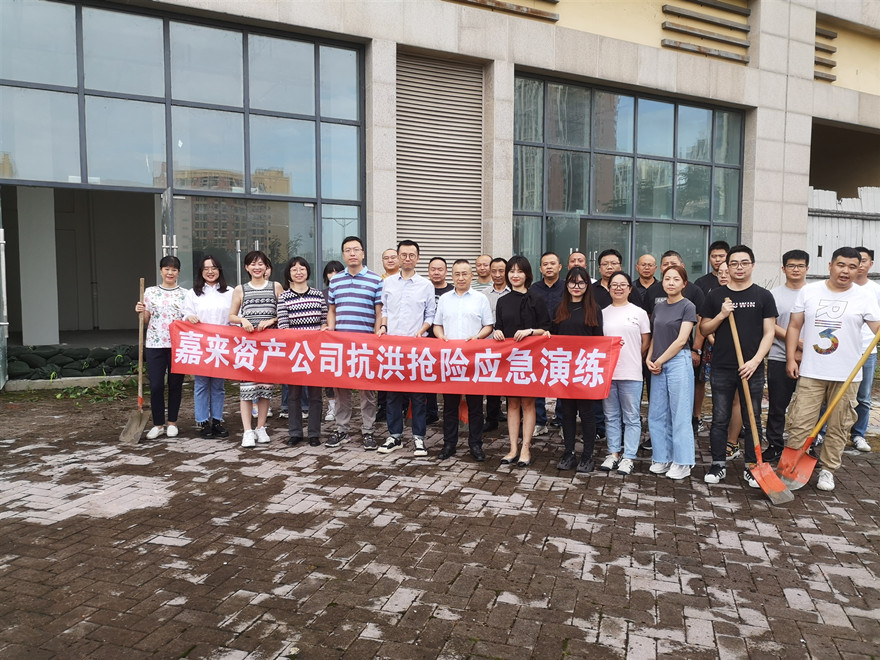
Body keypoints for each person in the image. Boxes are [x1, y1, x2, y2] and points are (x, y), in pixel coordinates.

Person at [785, 247, 880, 491]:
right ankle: (791, 469)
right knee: (799, 423)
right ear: (830, 266)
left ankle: (828, 470)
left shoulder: (864, 296)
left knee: (839, 426)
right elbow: (794, 326)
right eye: (841, 265)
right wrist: (791, 358)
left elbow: (876, 328)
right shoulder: (809, 291)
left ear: (858, 269)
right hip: (812, 371)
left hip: (847, 375)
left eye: (852, 266)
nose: (845, 271)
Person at [700, 245, 777, 487]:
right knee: (720, 417)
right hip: (722, 366)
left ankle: (752, 466)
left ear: (752, 265)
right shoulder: (716, 296)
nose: (739, 267)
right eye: (734, 263)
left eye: (744, 263)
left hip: (752, 368)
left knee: (752, 417)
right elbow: (704, 329)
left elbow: (769, 333)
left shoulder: (763, 296)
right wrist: (722, 315)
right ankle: (718, 465)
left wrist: (756, 361)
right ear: (727, 267)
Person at [377, 240, 435, 457]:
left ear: (417, 258)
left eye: (412, 255)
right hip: (393, 347)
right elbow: (385, 310)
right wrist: (383, 326)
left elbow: (430, 314)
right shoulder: (388, 283)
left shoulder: (426, 285)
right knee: (392, 394)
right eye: (404, 255)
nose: (407, 258)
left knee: (418, 395)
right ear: (398, 257)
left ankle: (419, 438)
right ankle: (395, 436)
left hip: (416, 347)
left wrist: (422, 330)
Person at [433, 259, 494, 462]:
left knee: (475, 406)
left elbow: (488, 325)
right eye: (457, 274)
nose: (460, 278)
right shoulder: (444, 299)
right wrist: (441, 336)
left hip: (473, 360)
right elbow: (437, 324)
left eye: (464, 274)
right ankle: (449, 444)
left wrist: (477, 337)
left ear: (471, 276)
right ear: (452, 276)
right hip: (451, 359)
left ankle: (476, 444)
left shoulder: (480, 298)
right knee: (450, 405)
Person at [326, 236, 384, 450]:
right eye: (348, 250)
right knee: (341, 391)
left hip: (366, 345)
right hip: (341, 345)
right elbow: (332, 311)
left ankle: (368, 431)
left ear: (363, 253)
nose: (352, 253)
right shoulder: (335, 281)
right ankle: (342, 430)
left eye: (356, 249)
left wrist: (376, 336)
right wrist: (330, 330)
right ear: (343, 255)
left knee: (367, 392)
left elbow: (379, 312)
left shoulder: (376, 280)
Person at [492, 256, 550, 467]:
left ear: (527, 274)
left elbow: (546, 328)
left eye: (519, 271)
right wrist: (497, 332)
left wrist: (530, 331)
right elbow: (499, 326)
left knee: (528, 403)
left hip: (530, 359)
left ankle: (526, 447)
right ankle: (512, 448)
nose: (515, 275)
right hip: (510, 360)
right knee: (512, 403)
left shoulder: (537, 298)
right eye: (511, 271)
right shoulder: (502, 301)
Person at [646, 264, 697, 479]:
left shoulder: (688, 306)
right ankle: (662, 458)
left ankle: (683, 462)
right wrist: (649, 358)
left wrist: (659, 360)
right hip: (658, 363)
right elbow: (655, 336)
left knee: (680, 414)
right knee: (657, 414)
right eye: (667, 279)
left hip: (678, 362)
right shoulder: (659, 307)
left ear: (684, 283)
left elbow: (682, 340)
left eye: (676, 279)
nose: (671, 283)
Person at [229, 251, 284, 448]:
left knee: (265, 389)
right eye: (253, 264)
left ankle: (261, 427)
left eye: (261, 264)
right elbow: (231, 316)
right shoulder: (240, 289)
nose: (257, 267)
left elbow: (283, 313)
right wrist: (242, 320)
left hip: (268, 347)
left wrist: (271, 321)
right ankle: (247, 431)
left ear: (266, 267)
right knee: (246, 390)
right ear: (246, 267)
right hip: (248, 347)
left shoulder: (275, 287)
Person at [551, 267, 603, 473]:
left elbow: (599, 341)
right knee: (568, 413)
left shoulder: (593, 309)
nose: (576, 287)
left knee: (587, 413)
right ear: (566, 285)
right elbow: (552, 337)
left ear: (587, 285)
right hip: (564, 368)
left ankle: (588, 455)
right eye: (572, 282)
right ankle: (569, 452)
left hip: (585, 368)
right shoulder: (559, 308)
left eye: (581, 283)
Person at [599, 271, 650, 475]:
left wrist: (633, 356)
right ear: (608, 288)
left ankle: (629, 456)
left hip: (631, 372)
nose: (618, 288)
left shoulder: (639, 313)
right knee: (611, 415)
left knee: (631, 416)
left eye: (623, 285)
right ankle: (613, 453)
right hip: (608, 373)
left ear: (630, 289)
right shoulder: (602, 313)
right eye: (614, 285)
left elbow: (645, 341)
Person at [277, 256, 327, 448]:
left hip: (315, 352)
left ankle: (314, 433)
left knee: (315, 395)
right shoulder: (284, 297)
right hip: (294, 353)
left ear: (308, 271)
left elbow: (324, 322)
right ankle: (295, 432)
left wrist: (319, 332)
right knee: (293, 395)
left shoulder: (318, 295)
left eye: (302, 268)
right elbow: (283, 326)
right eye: (294, 269)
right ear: (289, 274)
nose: (298, 272)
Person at [136, 255, 187, 440]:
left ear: (178, 272)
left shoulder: (185, 294)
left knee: (175, 384)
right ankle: (158, 424)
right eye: (167, 269)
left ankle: (172, 422)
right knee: (156, 385)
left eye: (174, 270)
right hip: (155, 344)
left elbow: (188, 319)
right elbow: (146, 320)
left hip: (178, 345)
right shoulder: (150, 292)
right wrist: (141, 311)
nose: (170, 273)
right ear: (161, 271)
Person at [182, 255, 233, 439]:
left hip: (221, 344)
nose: (210, 272)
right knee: (202, 384)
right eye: (206, 269)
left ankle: (217, 421)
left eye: (214, 268)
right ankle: (203, 422)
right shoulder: (193, 293)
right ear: (201, 272)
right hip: (201, 345)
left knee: (218, 385)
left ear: (219, 270)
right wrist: (189, 317)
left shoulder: (230, 292)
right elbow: (185, 314)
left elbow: (235, 316)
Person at [766, 250, 809, 461]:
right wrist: (796, 342)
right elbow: (770, 325)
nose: (796, 270)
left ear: (807, 268)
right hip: (779, 356)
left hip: (811, 359)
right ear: (783, 268)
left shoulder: (814, 294)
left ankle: (805, 448)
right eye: (791, 266)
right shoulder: (773, 295)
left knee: (807, 409)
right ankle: (774, 445)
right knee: (777, 406)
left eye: (800, 266)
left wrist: (804, 347)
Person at [849, 247, 880, 452]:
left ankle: (858, 434)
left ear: (871, 264)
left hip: (867, 351)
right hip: (843, 349)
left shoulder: (875, 290)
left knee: (863, 397)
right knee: (831, 393)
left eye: (864, 260)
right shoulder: (844, 288)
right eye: (856, 260)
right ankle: (822, 432)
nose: (860, 264)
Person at [531, 251, 564, 436]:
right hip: (538, 341)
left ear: (560, 267)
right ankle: (539, 421)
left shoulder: (567, 288)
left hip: (562, 340)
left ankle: (562, 419)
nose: (549, 267)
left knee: (561, 379)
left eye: (552, 263)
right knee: (538, 380)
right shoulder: (533, 289)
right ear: (540, 268)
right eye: (545, 264)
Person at [482, 257, 510, 433]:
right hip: (488, 344)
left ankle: (516, 419)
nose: (498, 275)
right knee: (491, 383)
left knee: (511, 382)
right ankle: (492, 418)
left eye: (502, 271)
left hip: (510, 346)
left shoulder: (514, 292)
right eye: (494, 271)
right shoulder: (483, 294)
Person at [425, 257, 454, 425]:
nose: (436, 272)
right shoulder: (423, 289)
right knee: (428, 377)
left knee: (448, 377)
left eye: (440, 269)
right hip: (426, 340)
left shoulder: (453, 291)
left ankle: (451, 413)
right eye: (433, 269)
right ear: (428, 271)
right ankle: (431, 412)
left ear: (446, 271)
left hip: (448, 342)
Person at [321, 260, 344, 422]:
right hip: (327, 340)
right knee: (328, 373)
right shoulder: (321, 294)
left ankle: (343, 406)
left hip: (344, 338)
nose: (333, 275)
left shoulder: (347, 291)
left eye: (337, 271)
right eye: (330, 272)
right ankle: (332, 405)